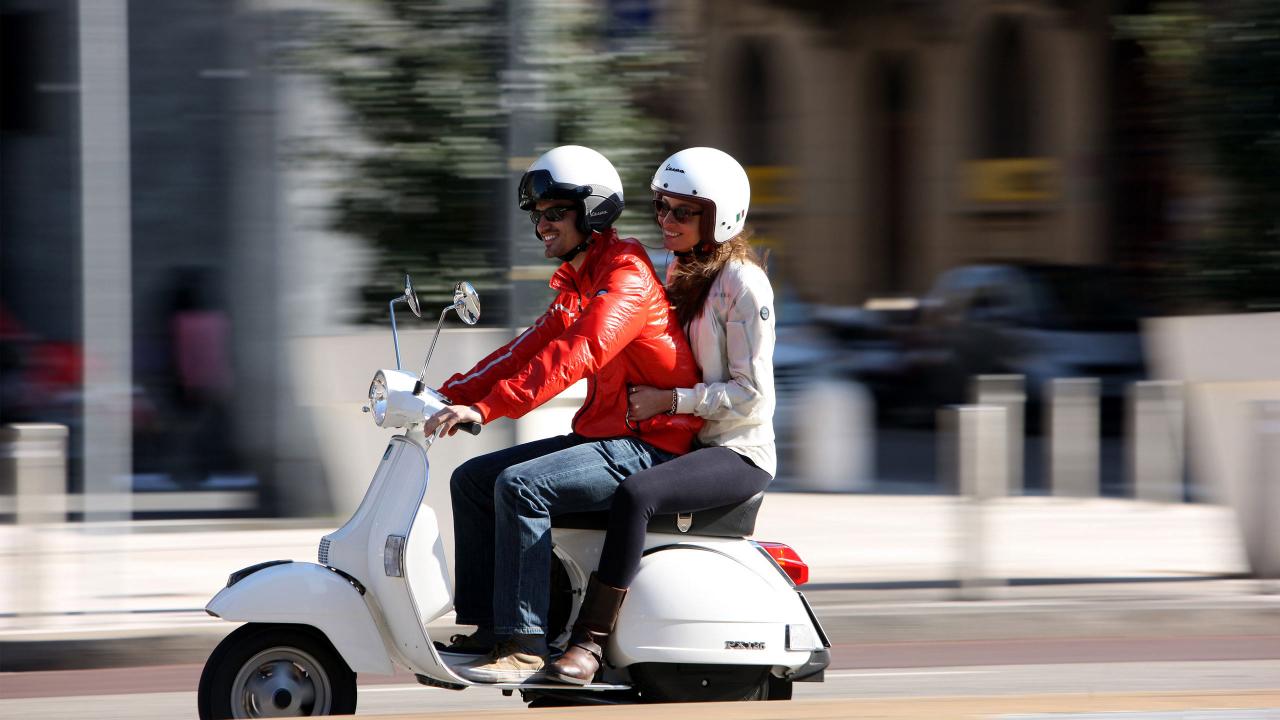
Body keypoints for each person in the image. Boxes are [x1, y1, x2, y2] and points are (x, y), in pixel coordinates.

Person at [422, 145, 703, 683]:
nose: (541, 226)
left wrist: (486, 407)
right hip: (611, 435)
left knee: (521, 487)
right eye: (536, 215)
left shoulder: (626, 278)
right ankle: (488, 625)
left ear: (592, 212)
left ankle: (525, 643)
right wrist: (445, 393)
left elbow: (578, 353)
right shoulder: (581, 280)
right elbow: (526, 348)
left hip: (651, 444)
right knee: (473, 479)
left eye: (554, 212)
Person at [545, 147, 776, 686]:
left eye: (683, 211)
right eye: (661, 207)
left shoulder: (742, 284)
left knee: (636, 495)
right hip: (689, 440)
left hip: (736, 451)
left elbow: (751, 396)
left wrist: (672, 401)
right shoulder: (682, 269)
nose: (667, 220)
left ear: (720, 217)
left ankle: (590, 642)